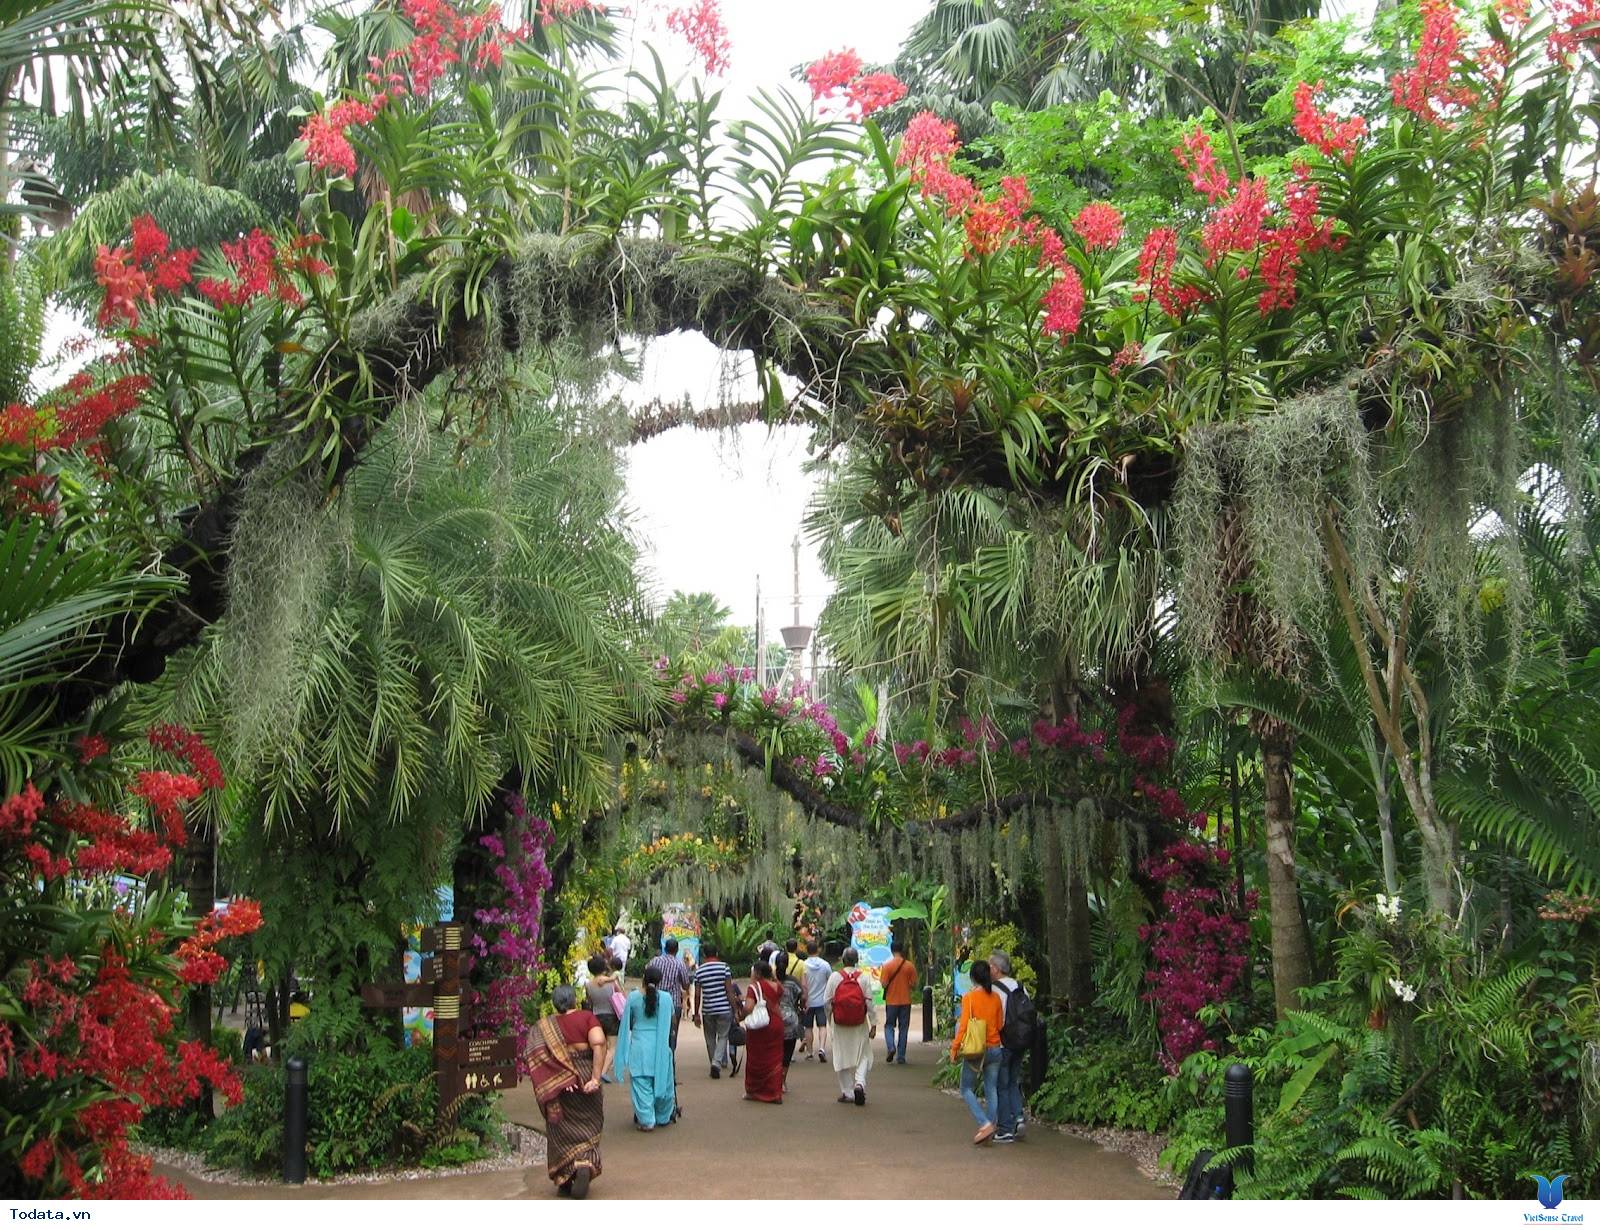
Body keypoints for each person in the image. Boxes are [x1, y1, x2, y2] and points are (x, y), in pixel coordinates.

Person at [528, 985, 608, 1198]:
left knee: (560, 1129)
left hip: (558, 1086)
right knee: (589, 1125)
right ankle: (584, 1161)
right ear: (574, 1000)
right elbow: (599, 1043)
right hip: (585, 1078)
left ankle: (565, 1174)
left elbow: (535, 1057)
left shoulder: (543, 1027)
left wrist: (558, 1078)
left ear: (554, 1003)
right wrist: (595, 1077)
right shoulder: (587, 1018)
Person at [614, 965, 678, 1131]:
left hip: (640, 1047)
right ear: (660, 981)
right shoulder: (666, 998)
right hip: (660, 1048)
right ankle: (663, 1117)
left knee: (642, 1084)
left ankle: (647, 1120)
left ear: (643, 978)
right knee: (663, 1080)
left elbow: (627, 1022)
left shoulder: (634, 997)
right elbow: (673, 1022)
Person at [949, 958, 1006, 1145]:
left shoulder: (970, 998)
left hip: (977, 1049)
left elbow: (964, 1025)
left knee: (966, 1088)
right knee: (991, 1088)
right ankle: (991, 1126)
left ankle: (984, 1123)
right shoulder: (996, 998)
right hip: (996, 1048)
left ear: (973, 977)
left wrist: (955, 1048)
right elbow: (1000, 1024)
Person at [823, 947, 879, 1106]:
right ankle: (859, 1083)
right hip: (859, 1023)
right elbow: (869, 1002)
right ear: (856, 960)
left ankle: (847, 1092)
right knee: (863, 1054)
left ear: (842, 959)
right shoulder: (864, 977)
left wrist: (830, 1019)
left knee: (840, 1055)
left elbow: (826, 1001)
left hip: (839, 1023)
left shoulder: (835, 977)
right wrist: (873, 1023)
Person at [989, 950, 1027, 1141]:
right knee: (1013, 1081)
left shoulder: (994, 989)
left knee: (1001, 1085)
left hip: (1003, 1043)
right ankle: (1018, 1116)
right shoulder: (1019, 986)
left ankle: (1005, 1128)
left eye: (990, 966)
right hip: (1020, 1041)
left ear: (995, 969)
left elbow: (996, 1019)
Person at [736, 958, 785, 1103]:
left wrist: (741, 1016)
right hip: (776, 1023)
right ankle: (775, 1092)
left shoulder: (754, 987)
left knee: (756, 1059)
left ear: (757, 973)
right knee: (775, 1058)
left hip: (760, 1027)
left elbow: (749, 1007)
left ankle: (754, 1091)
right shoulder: (777, 986)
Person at [690, 939, 736, 1078]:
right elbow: (729, 990)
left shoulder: (700, 971)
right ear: (716, 953)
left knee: (710, 1038)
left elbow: (697, 994)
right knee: (723, 1036)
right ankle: (716, 1063)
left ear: (704, 954)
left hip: (708, 1009)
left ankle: (714, 1063)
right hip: (723, 1008)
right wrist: (735, 1007)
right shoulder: (724, 967)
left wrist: (696, 1013)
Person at [644, 937, 694, 1051]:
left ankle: (657, 1056)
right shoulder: (679, 964)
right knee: (672, 1033)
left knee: (656, 1030)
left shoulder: (654, 961)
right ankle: (669, 1060)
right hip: (674, 1003)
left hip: (655, 1000)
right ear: (676, 950)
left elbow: (646, 976)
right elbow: (686, 985)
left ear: (665, 949)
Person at [879, 939, 918, 1065]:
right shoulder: (909, 966)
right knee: (904, 1028)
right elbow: (913, 985)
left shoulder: (887, 966)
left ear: (891, 950)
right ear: (902, 950)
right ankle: (901, 1056)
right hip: (905, 1001)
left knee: (889, 1025)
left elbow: (884, 984)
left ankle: (891, 1047)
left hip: (891, 1001)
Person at [777, 953, 804, 1090]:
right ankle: (782, 1081)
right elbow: (803, 996)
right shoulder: (793, 981)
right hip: (791, 1019)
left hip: (773, 1019)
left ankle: (773, 1079)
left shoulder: (771, 980)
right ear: (787, 964)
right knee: (787, 1053)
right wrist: (800, 1006)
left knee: (774, 1051)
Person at [802, 939, 832, 1062]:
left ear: (807, 950)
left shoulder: (803, 965)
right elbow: (830, 980)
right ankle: (822, 1048)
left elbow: (802, 983)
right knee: (822, 1026)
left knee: (808, 1027)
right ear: (818, 950)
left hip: (808, 1002)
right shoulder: (825, 965)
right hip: (822, 1000)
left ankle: (809, 1052)